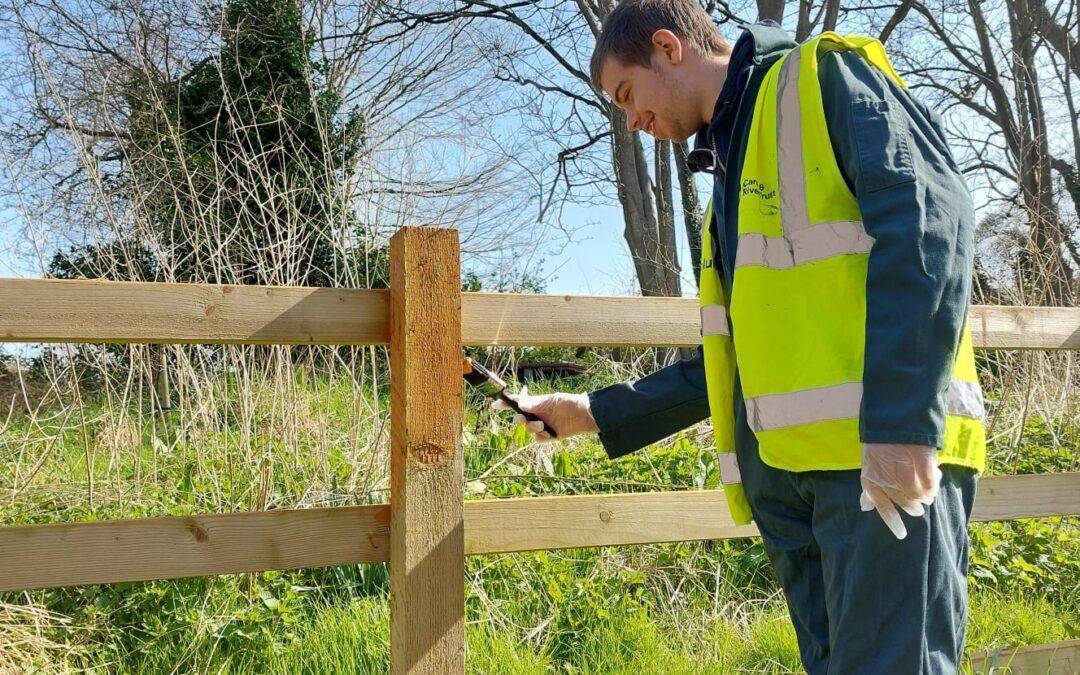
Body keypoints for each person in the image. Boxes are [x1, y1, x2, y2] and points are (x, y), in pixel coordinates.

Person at [495, 1, 987, 673]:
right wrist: (593, 412)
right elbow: (736, 360)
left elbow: (933, 221)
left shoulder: (824, 79)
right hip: (801, 490)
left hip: (883, 465)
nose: (633, 122)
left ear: (669, 48)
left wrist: (903, 424)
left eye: (628, 95)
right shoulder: (732, 169)